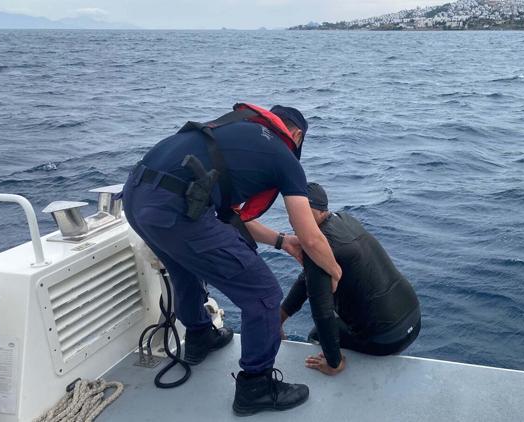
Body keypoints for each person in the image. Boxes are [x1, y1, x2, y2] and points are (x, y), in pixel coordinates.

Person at [121, 103, 342, 416]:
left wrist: (281, 242)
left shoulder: (233, 132)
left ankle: (199, 337)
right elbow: (310, 236)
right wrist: (334, 269)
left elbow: (231, 217)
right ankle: (256, 386)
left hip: (135, 197)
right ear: (295, 134)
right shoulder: (283, 154)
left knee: (182, 266)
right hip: (173, 209)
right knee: (263, 294)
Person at [280, 182, 421, 376]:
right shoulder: (345, 219)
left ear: (316, 210)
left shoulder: (317, 247)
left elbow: (323, 313)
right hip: (413, 317)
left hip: (387, 339)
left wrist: (334, 362)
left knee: (317, 334)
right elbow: (307, 279)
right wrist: (280, 317)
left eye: (298, 212)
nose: (292, 219)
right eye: (291, 211)